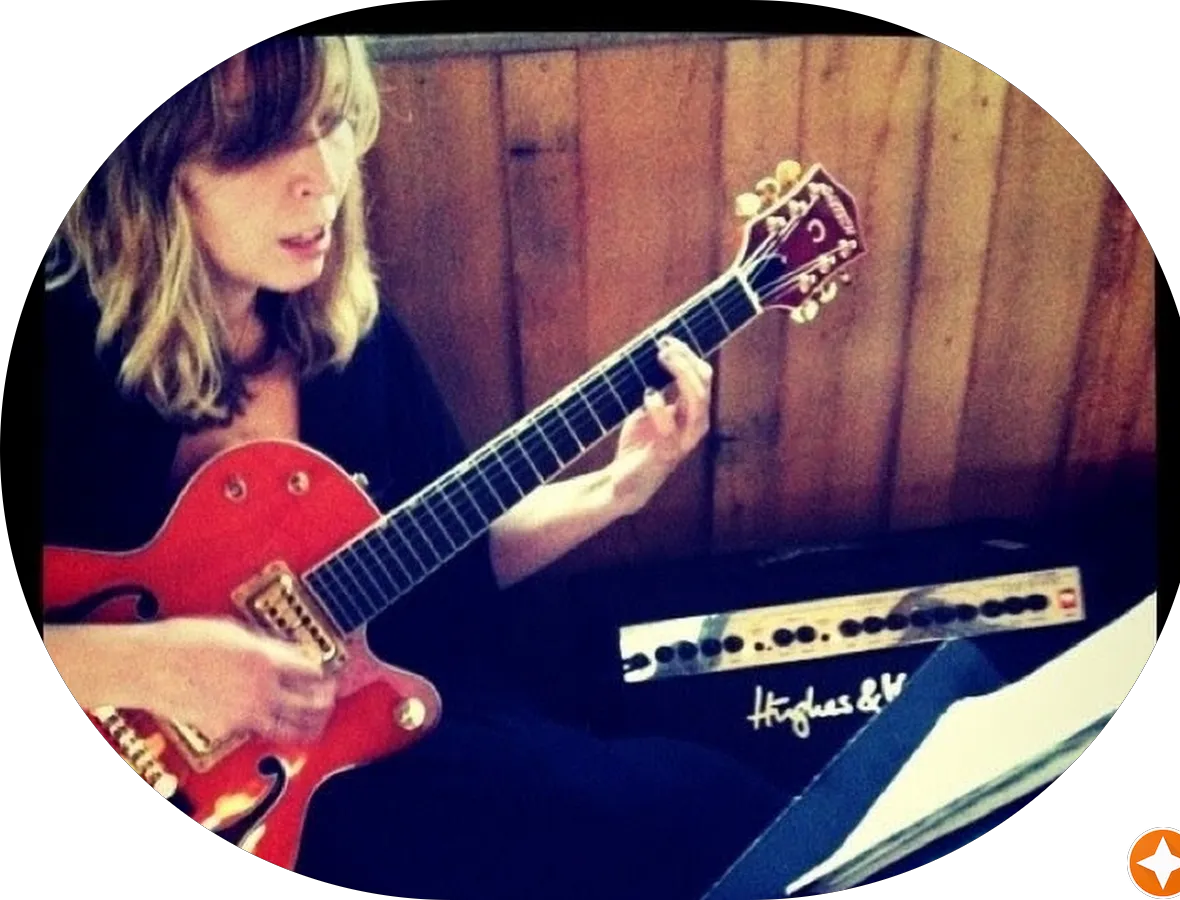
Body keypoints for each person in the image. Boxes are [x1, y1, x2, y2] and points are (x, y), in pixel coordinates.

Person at [42, 37, 788, 900]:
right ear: (148, 172)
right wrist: (151, 667)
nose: (323, 178)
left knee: (709, 809)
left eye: (330, 123)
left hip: (383, 737)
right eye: (261, 143)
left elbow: (446, 554)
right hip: (277, 813)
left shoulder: (349, 341)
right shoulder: (61, 345)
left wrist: (613, 492)